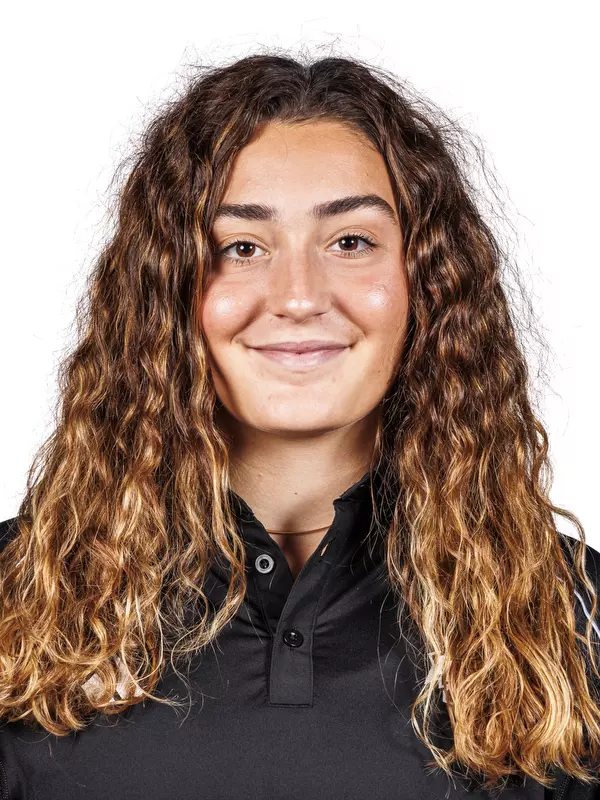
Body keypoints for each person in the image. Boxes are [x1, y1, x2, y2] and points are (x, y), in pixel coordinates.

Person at [0, 50, 599, 799]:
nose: (298, 297)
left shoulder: (567, 615)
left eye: (350, 242)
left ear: (430, 285)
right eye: (241, 248)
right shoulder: (16, 599)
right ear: (164, 291)